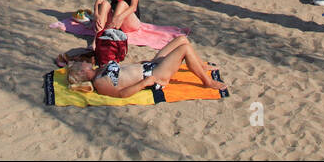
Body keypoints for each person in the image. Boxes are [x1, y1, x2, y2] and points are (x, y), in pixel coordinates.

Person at [65, 35, 226, 97]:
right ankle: (207, 82)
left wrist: (139, 64)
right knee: (184, 49)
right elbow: (121, 94)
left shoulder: (99, 70)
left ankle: (200, 66)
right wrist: (144, 83)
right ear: (83, 72)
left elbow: (124, 70)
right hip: (154, 75)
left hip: (148, 66)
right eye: (83, 64)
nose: (85, 63)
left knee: (182, 39)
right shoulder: (100, 83)